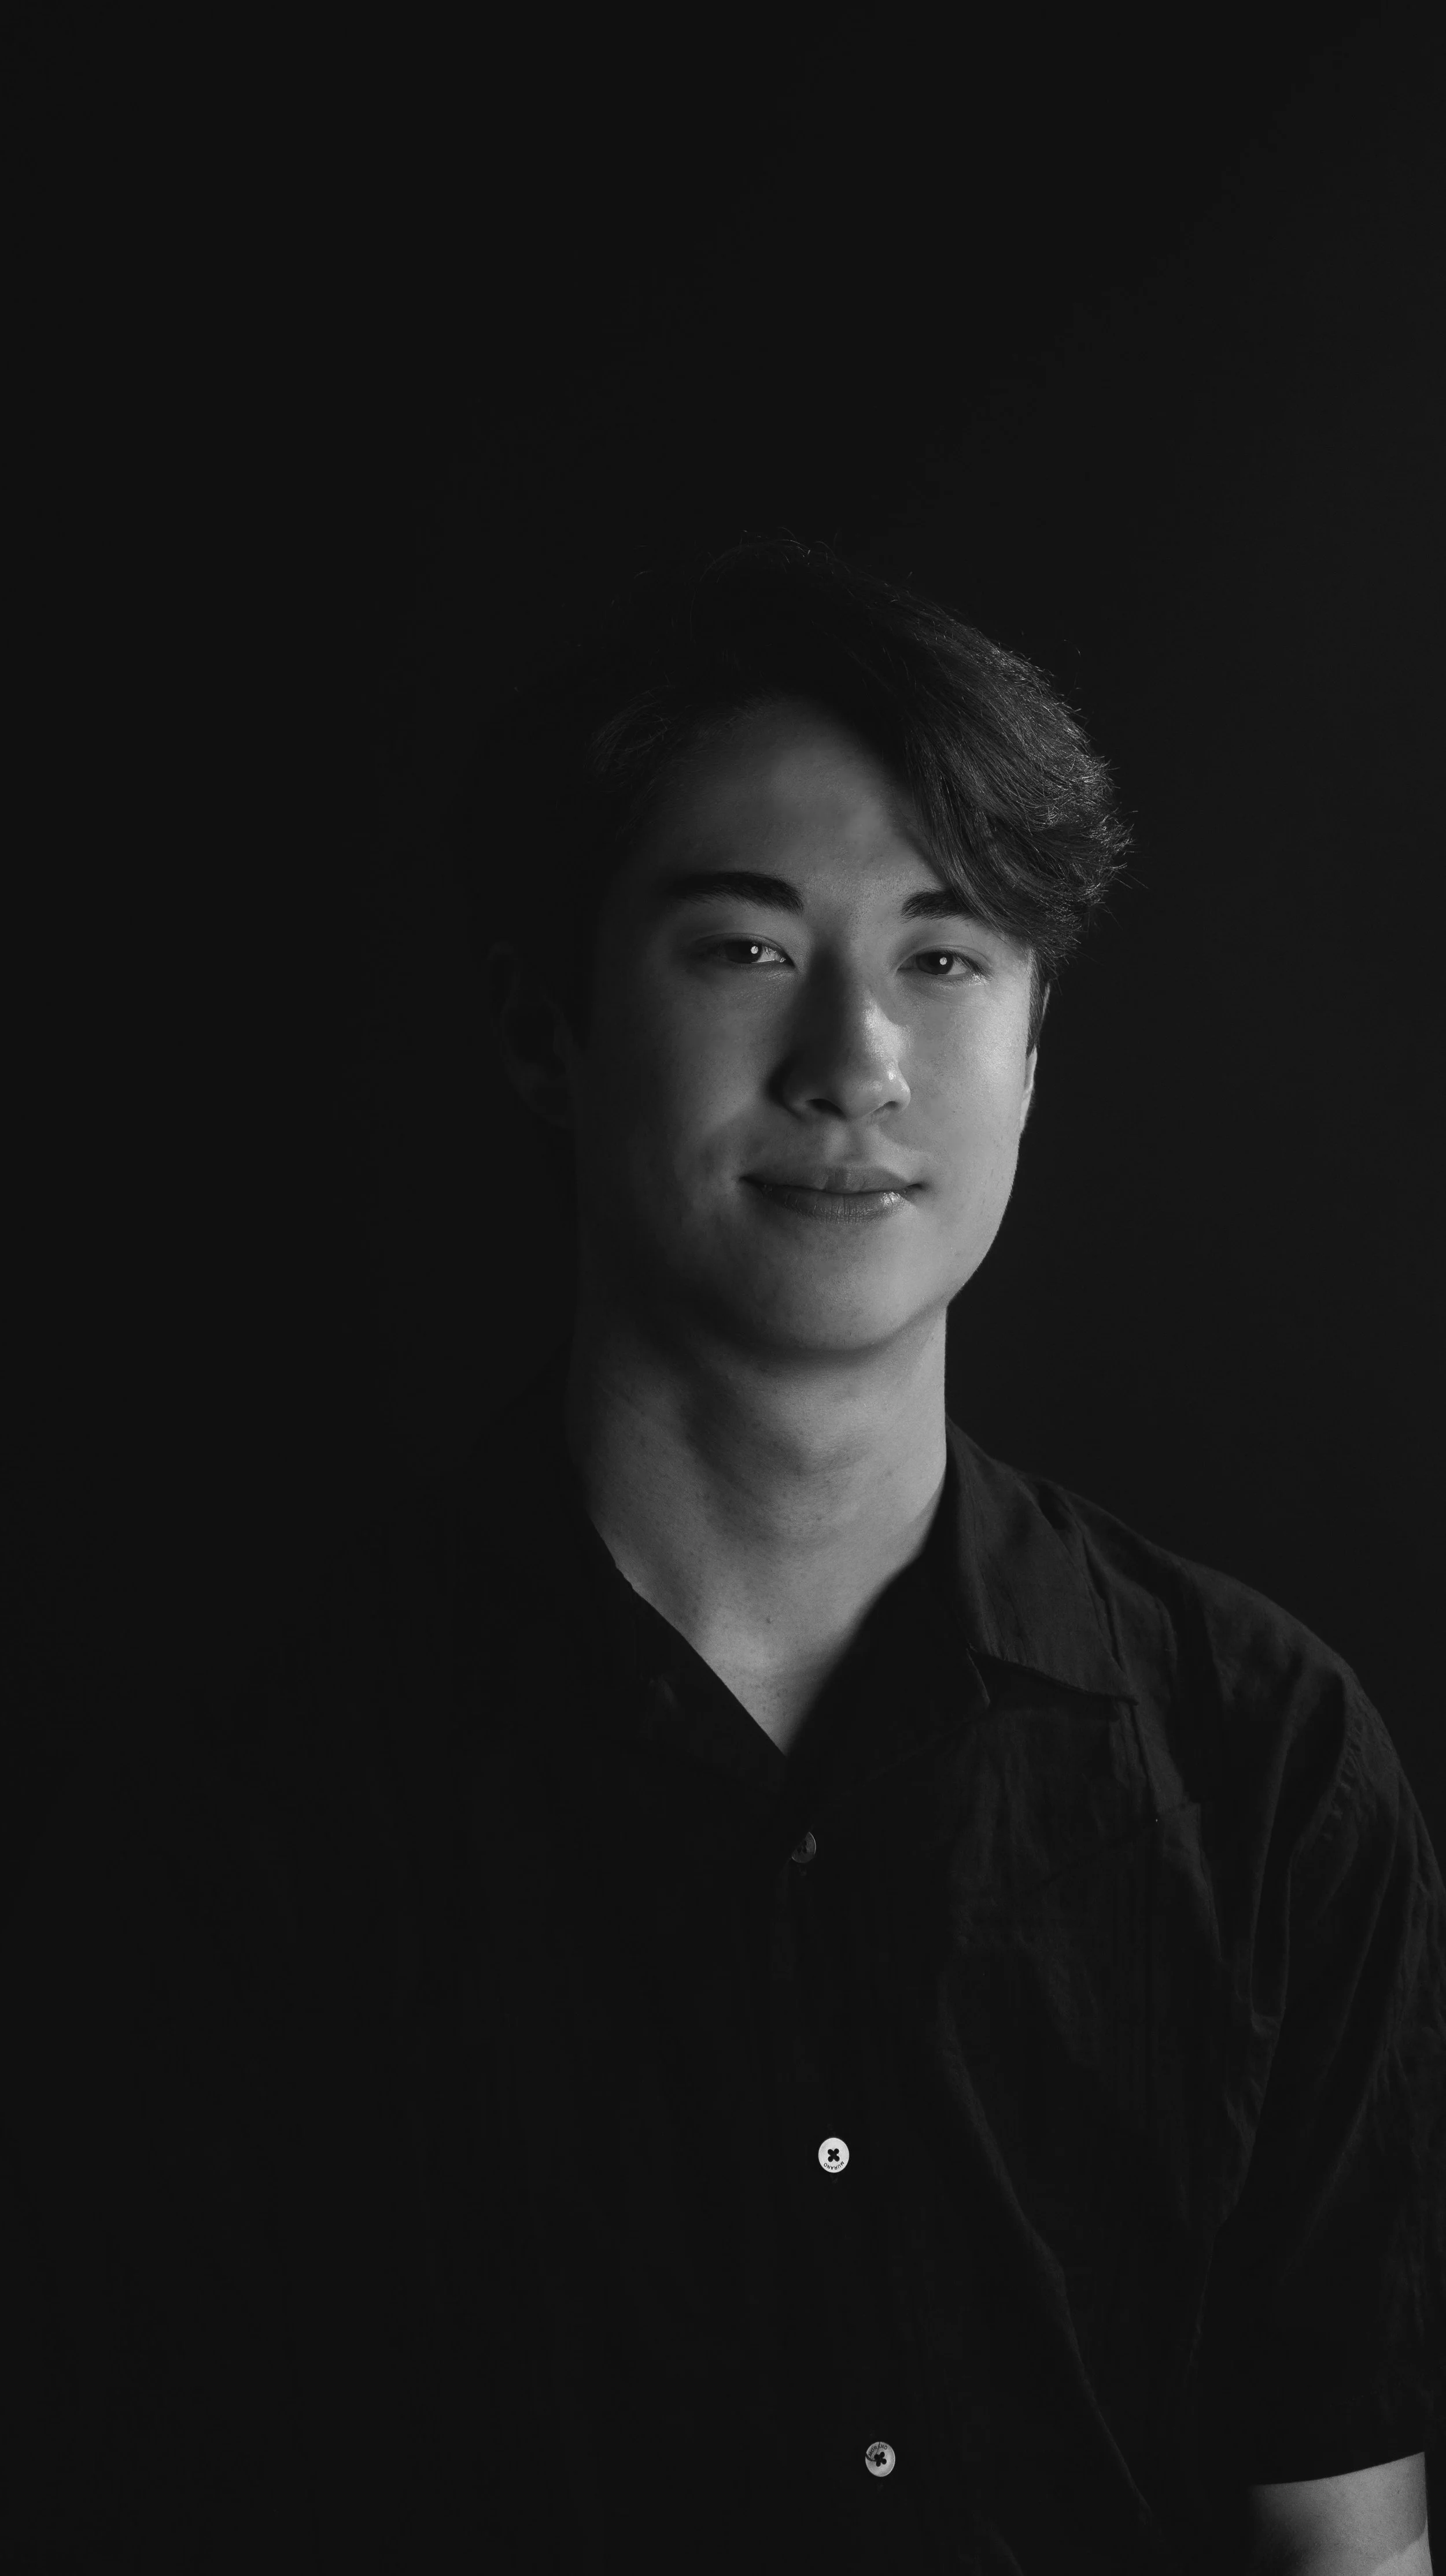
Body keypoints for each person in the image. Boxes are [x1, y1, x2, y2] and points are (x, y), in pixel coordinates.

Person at [3, 538, 1440, 2573]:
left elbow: (1344, 2548)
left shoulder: (1267, 1767)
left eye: (946, 957)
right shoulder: (246, 1794)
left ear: (1033, 1050)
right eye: (744, 947)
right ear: (542, 1026)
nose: (853, 1055)